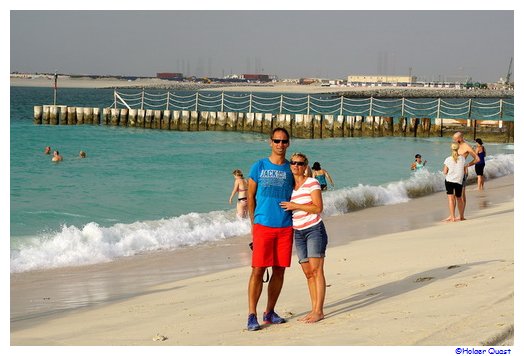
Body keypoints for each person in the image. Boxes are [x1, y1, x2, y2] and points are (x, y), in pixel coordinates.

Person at [246, 127, 294, 331]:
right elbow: (250, 197)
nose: (280, 145)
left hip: (285, 226)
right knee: (258, 270)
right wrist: (253, 224)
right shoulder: (258, 166)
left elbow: (304, 190)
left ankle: (269, 312)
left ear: (288, 144)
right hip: (263, 225)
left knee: (279, 270)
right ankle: (251, 315)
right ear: (270, 142)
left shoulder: (292, 169)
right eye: (277, 141)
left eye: (284, 142)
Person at [280, 152, 328, 323]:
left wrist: (295, 205)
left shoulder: (312, 183)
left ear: (305, 165)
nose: (296, 166)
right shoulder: (289, 187)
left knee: (317, 270)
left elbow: (317, 208)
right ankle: (313, 308)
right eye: (293, 163)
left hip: (314, 230)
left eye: (300, 163)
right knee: (308, 273)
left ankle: (319, 311)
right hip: (298, 232)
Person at [452, 132, 480, 220]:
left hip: (462, 172)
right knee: (452, 194)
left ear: (460, 138)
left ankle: (461, 215)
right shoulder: (456, 146)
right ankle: (452, 215)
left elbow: (477, 159)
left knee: (461, 194)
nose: (454, 140)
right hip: (454, 172)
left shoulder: (466, 147)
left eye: (455, 139)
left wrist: (467, 165)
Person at [443, 143, 466, 222]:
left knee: (451, 199)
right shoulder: (462, 158)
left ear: (451, 149)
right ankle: (461, 216)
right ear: (458, 148)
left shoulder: (448, 159)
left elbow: (445, 172)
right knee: (459, 198)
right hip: (458, 181)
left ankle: (452, 217)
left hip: (449, 180)